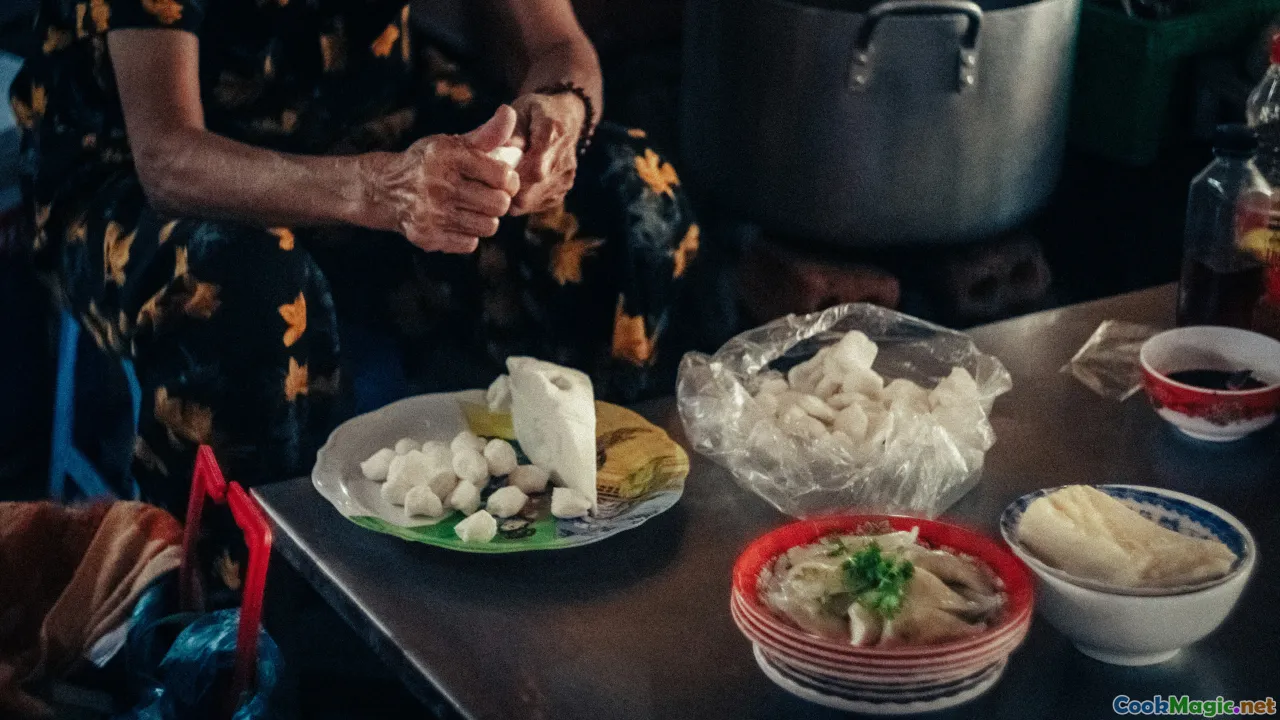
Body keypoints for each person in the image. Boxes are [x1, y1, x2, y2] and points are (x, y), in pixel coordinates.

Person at [10, 0, 698, 509]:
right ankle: (237, 638)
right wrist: (378, 189)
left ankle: (584, 501)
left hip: (366, 116)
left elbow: (557, 43)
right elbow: (166, 158)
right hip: (145, 171)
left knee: (626, 195)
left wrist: (560, 117)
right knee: (242, 287)